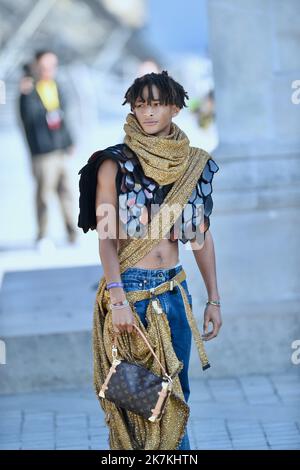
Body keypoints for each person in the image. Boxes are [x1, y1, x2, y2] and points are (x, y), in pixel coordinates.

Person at [78, 70, 222, 450]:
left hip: (176, 289)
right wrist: (118, 297)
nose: (148, 113)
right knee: (145, 402)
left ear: (174, 107)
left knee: (177, 395)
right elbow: (107, 239)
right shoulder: (114, 164)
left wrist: (214, 298)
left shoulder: (192, 164)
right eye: (141, 105)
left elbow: (200, 236)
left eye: (156, 104)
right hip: (133, 295)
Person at [19, 50, 77, 246]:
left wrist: (69, 141)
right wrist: (25, 93)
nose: (48, 71)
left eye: (52, 66)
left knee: (66, 192)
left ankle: (72, 233)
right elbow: (28, 118)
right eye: (44, 67)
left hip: (60, 149)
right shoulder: (29, 91)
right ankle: (43, 235)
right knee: (43, 195)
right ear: (36, 67)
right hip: (42, 154)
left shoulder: (56, 86)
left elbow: (63, 117)